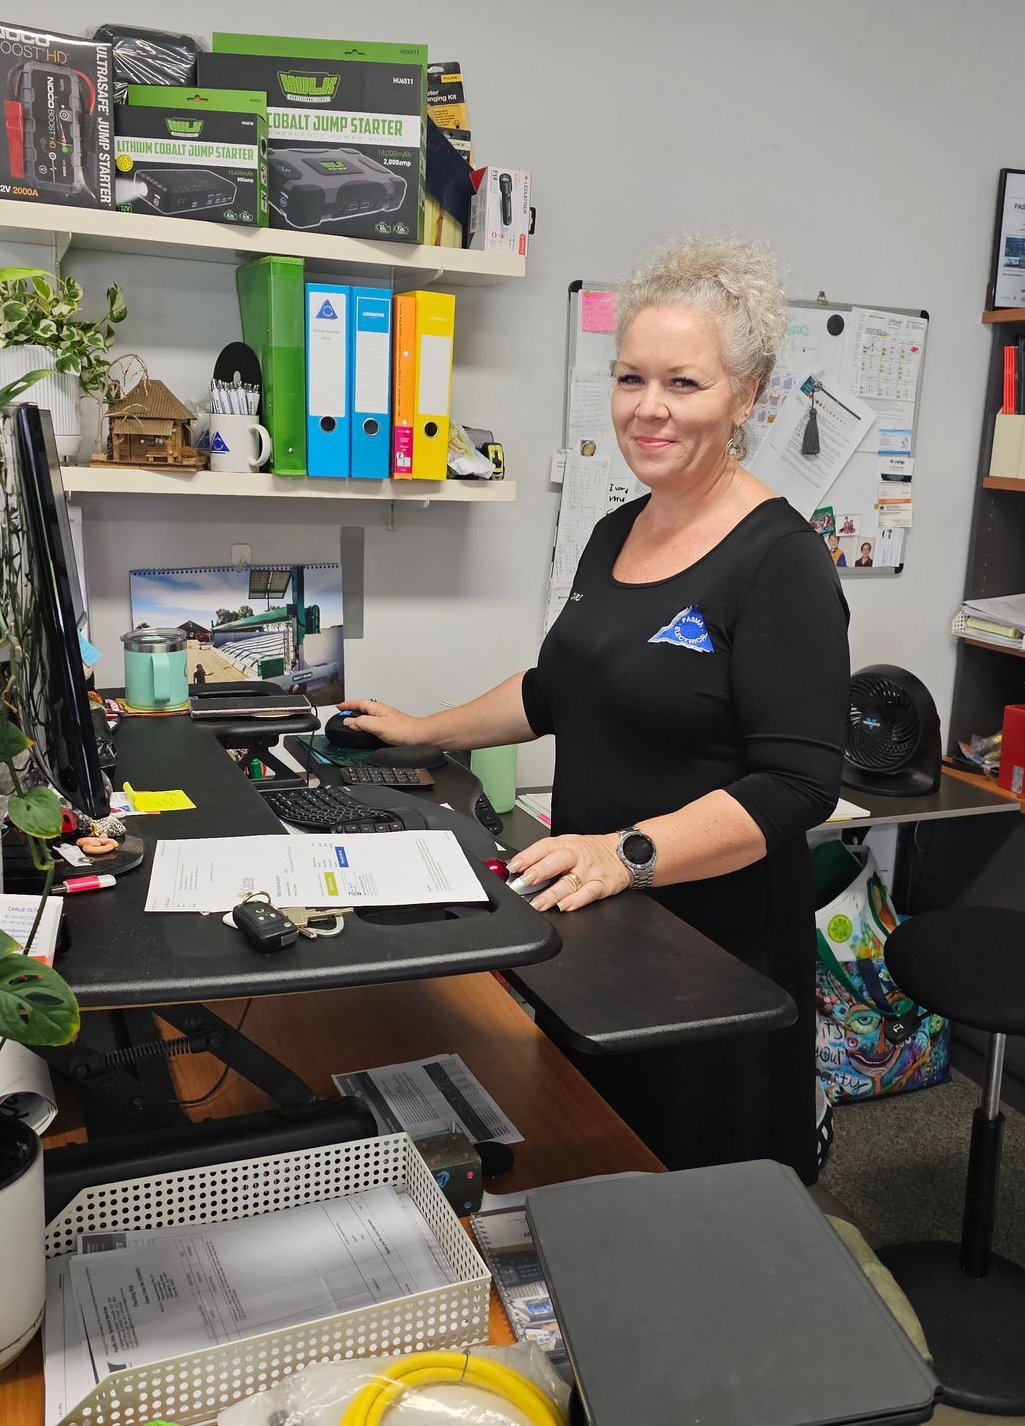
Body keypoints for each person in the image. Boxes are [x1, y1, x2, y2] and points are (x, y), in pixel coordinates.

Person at [337, 236, 853, 1178]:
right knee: (591, 1152)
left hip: (709, 946)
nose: (648, 409)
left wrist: (628, 855)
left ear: (748, 397)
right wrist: (422, 730)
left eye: (684, 384)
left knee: (689, 1187)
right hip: (599, 912)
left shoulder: (780, 560)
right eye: (630, 378)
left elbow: (798, 784)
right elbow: (558, 690)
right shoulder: (619, 526)